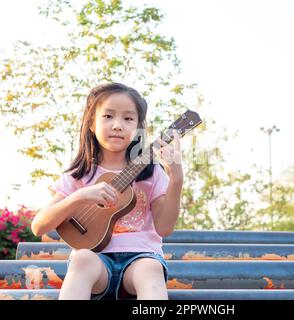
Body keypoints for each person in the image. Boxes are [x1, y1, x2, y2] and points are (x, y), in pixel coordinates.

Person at [31, 82, 184, 300]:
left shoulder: (151, 173)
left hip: (140, 259)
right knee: (82, 258)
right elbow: (39, 226)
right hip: (96, 262)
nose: (118, 125)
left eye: (128, 118)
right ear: (92, 123)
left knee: (150, 268)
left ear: (139, 127)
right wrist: (79, 196)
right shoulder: (80, 174)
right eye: (108, 116)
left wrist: (176, 179)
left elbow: (164, 228)